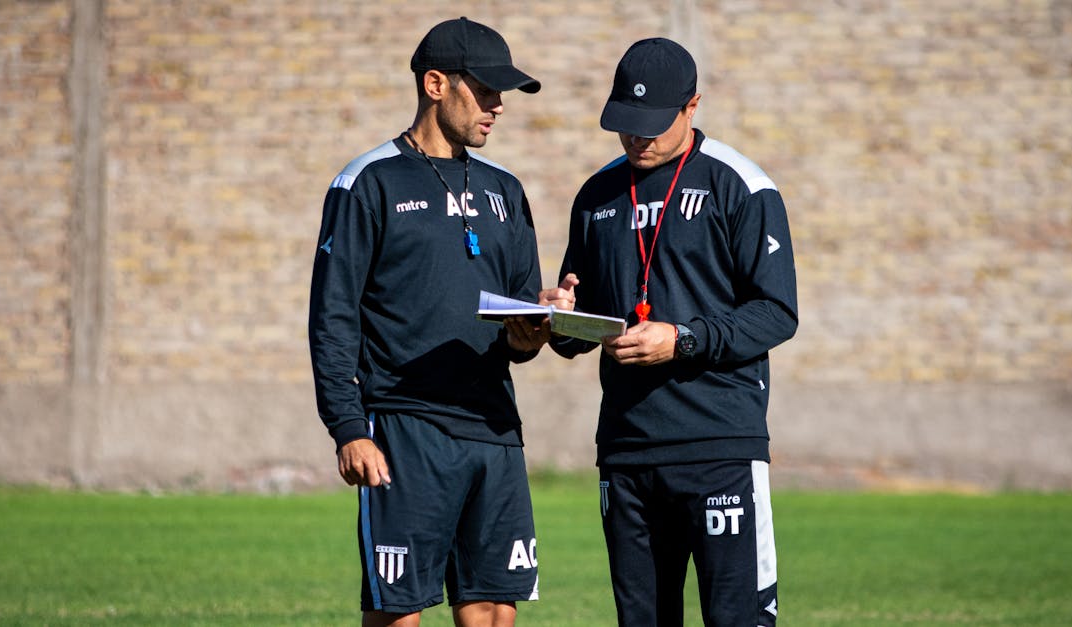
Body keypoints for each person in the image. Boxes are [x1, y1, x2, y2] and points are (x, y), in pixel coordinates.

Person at [540, 38, 798, 626]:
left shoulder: (741, 185)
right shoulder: (596, 195)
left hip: (719, 448)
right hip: (626, 453)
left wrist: (680, 338)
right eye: (625, 124)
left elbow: (777, 312)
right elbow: (577, 330)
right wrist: (560, 317)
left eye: (652, 125)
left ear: (692, 107)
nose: (636, 138)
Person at [308, 17, 548, 627]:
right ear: (435, 84)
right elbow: (333, 316)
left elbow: (519, 328)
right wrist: (348, 426)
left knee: (494, 607)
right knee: (400, 612)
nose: (498, 105)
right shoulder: (368, 182)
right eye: (485, 89)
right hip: (404, 429)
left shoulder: (506, 190)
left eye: (503, 93)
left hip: (495, 429)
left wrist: (542, 324)